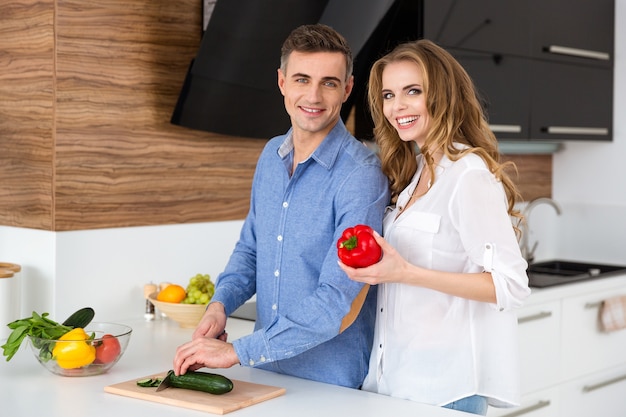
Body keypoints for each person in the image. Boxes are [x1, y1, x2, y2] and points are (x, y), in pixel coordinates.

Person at [173, 24, 390, 388]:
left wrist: (238, 352)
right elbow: (251, 248)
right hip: (262, 375)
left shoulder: (361, 176)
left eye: (329, 83)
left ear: (347, 89)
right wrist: (220, 305)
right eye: (302, 79)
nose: (314, 96)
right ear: (282, 82)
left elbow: (336, 300)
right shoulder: (271, 156)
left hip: (329, 383)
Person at [338, 39, 531, 415]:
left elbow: (510, 284)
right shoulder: (416, 176)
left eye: (413, 91)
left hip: (446, 386)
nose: (398, 106)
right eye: (389, 95)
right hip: (396, 377)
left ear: (442, 95)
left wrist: (407, 272)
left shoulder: (468, 175)